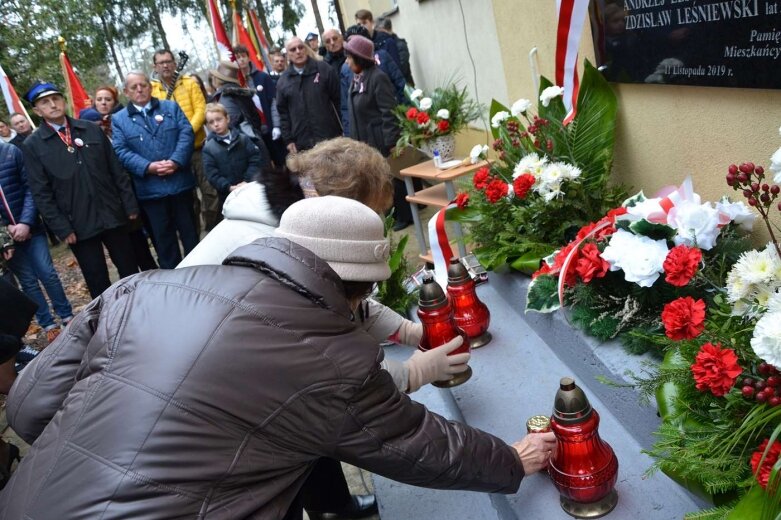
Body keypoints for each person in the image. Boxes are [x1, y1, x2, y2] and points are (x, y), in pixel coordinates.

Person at [0, 192, 555, 518]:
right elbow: (420, 447)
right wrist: (514, 459)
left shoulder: (141, 287)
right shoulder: (331, 357)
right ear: (356, 291)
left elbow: (27, 411)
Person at [21, 81, 140, 299]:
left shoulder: (90, 129)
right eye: (45, 102)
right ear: (37, 110)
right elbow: (41, 193)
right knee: (96, 278)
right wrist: (62, 228)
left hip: (112, 212)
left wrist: (129, 204)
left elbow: (116, 170)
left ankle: (140, 306)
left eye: (56, 99)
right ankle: (108, 322)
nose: (53, 105)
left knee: (129, 267)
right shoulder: (33, 145)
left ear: (63, 101)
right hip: (77, 222)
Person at [112, 72, 199, 269]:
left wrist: (176, 161)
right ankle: (172, 283)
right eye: (133, 87)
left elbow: (186, 134)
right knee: (164, 243)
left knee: (191, 236)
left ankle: (201, 275)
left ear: (150, 87)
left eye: (143, 85)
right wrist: (147, 167)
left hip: (180, 185)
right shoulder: (119, 119)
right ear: (126, 92)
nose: (139, 90)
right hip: (150, 192)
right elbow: (121, 151)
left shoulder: (171, 107)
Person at [0, 141, 73, 343]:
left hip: (32, 227)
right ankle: (48, 323)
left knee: (47, 273)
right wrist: (6, 232)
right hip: (7, 238)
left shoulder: (10, 152)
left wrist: (25, 222)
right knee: (28, 282)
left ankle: (66, 314)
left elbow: (30, 187)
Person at [80, 86, 158, 272]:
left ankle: (151, 271)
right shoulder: (86, 128)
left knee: (139, 238)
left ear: (114, 102)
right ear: (94, 102)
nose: (103, 103)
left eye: (108, 99)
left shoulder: (122, 122)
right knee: (123, 247)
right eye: (99, 99)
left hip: (132, 186)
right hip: (109, 195)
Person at [150, 49, 219, 234]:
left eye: (168, 61)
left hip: (197, 148)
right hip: (174, 154)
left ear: (174, 63)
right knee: (188, 200)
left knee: (210, 192)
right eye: (161, 62)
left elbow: (200, 109)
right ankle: (194, 237)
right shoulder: (152, 90)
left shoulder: (189, 84)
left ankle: (212, 229)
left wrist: (186, 132)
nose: (165, 65)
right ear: (155, 67)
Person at [276, 36, 342, 154]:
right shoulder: (283, 81)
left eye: (301, 47)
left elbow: (339, 101)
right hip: (303, 144)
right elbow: (283, 114)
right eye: (293, 49)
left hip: (331, 139)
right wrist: (288, 140)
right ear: (287, 55)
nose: (298, 51)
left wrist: (344, 129)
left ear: (305, 49)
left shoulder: (324, 69)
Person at [233, 44, 286, 167]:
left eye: (243, 56)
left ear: (248, 57)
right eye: (237, 57)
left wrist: (276, 126)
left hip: (270, 126)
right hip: (254, 133)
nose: (241, 60)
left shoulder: (263, 77)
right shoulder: (236, 84)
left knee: (282, 161)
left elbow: (273, 102)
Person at [202, 103, 262, 207]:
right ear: (208, 126)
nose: (216, 124)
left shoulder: (243, 139)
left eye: (219, 119)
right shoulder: (208, 148)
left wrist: (246, 180)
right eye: (211, 122)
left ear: (227, 118)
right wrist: (228, 187)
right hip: (228, 196)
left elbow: (255, 160)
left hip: (250, 188)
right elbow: (212, 174)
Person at [375, 16, 414, 86]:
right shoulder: (381, 44)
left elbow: (401, 70)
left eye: (379, 32)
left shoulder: (399, 44)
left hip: (406, 87)